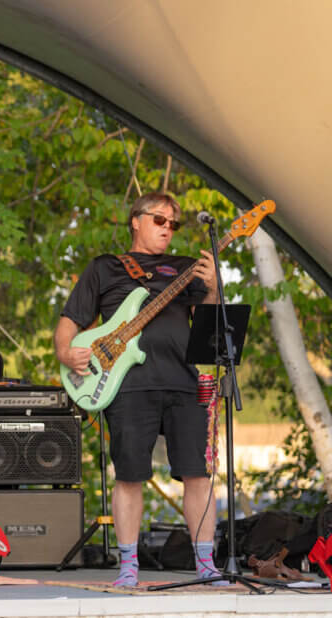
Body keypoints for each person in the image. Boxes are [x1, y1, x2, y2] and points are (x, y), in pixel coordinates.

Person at [54, 191, 221, 587]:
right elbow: (70, 322)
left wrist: (212, 288)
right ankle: (128, 567)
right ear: (136, 220)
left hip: (184, 381)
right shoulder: (105, 268)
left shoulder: (187, 268)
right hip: (125, 383)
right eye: (159, 220)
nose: (167, 229)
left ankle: (206, 565)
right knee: (129, 474)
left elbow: (208, 328)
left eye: (173, 224)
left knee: (198, 473)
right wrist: (66, 353)